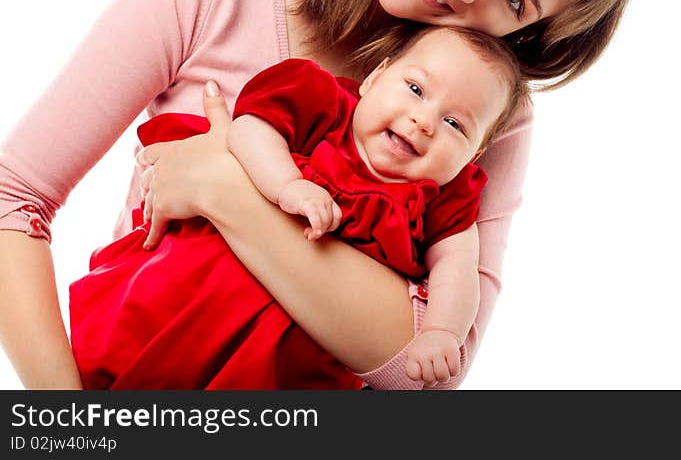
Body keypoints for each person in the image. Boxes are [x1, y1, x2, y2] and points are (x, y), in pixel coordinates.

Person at [0, 0, 641, 389]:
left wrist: (229, 191)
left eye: (515, 0)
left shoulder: (479, 115)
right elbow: (14, 195)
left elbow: (428, 371)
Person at [69, 26, 525, 388]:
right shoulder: (323, 107)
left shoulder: (443, 196)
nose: (423, 121)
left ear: (476, 153)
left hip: (282, 377)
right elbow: (249, 130)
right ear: (374, 78)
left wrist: (442, 332)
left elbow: (458, 268)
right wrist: (287, 184)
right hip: (185, 303)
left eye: (455, 124)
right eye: (415, 89)